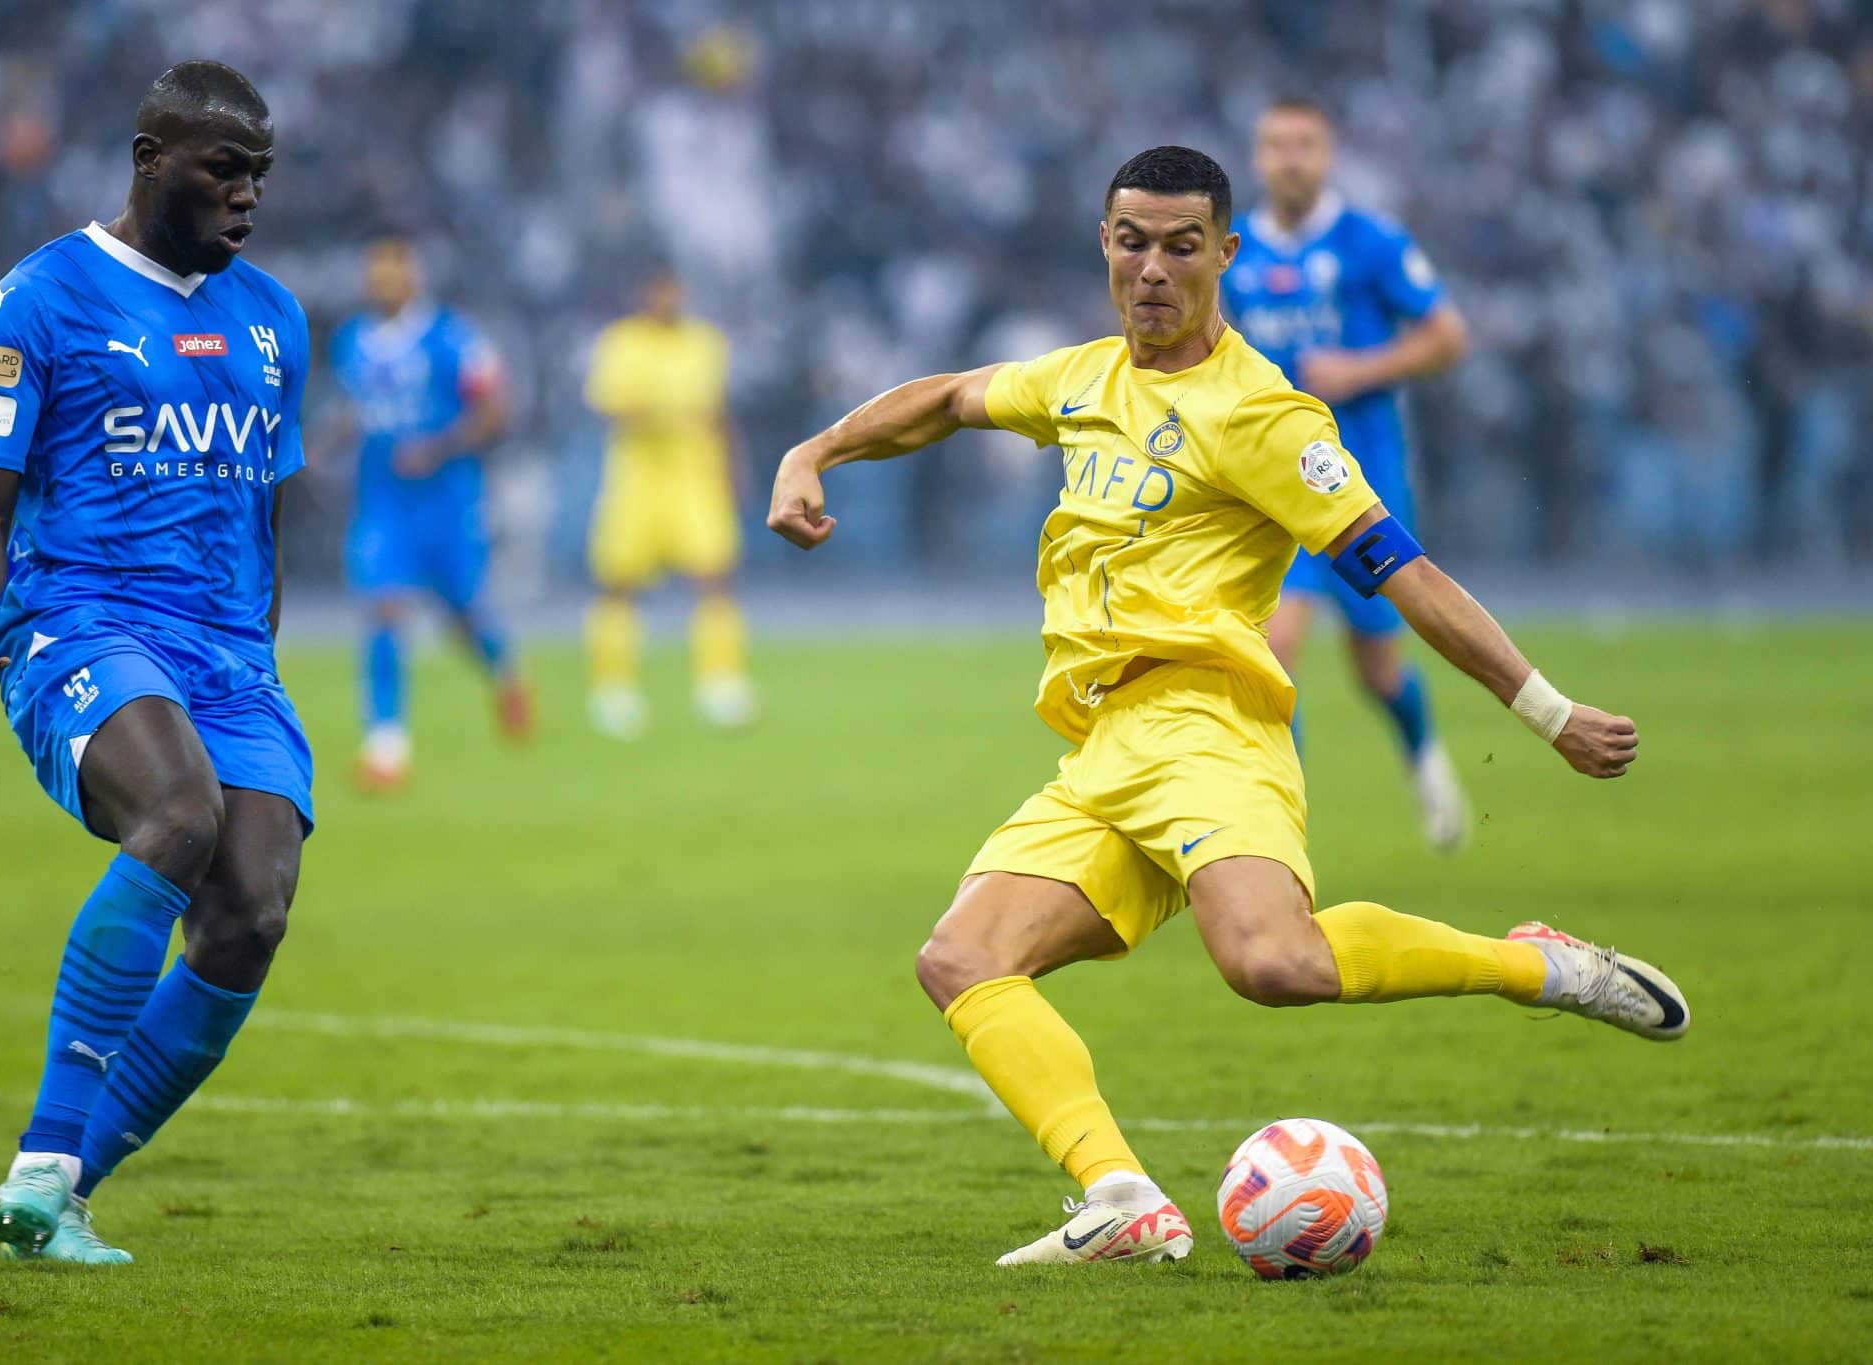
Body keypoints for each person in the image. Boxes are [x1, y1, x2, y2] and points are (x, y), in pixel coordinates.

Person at [766, 146, 1687, 1267]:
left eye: (1179, 245)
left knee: (1272, 967)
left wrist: (1545, 712)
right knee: (960, 960)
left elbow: (1406, 574)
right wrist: (813, 449)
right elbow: (951, 400)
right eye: (1130, 241)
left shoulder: (1263, 418)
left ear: (1224, 255)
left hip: (1205, 726)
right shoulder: (1081, 380)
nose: (1150, 269)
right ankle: (1120, 1199)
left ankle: (1537, 966)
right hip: (1103, 747)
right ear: (1104, 245)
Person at [0, 61, 312, 1265]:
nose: (246, 198)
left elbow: (267, 518)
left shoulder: (274, 317)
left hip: (229, 653)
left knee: (250, 913)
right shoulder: (37, 299)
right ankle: (43, 1156)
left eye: (259, 176)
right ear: (152, 161)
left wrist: (257, 662)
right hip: (80, 622)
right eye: (222, 171)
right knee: (180, 815)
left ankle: (60, 1198)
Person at [1225, 98, 1473, 849]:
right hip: (1275, 491)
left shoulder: (1371, 243)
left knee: (1377, 670)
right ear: (1260, 156)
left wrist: (1361, 368)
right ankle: (1281, 836)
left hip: (1362, 488)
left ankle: (1425, 759)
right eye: (1276, 144)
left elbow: (1447, 336)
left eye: (1304, 143)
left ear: (1327, 155)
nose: (1290, 157)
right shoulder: (1233, 255)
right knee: (1271, 655)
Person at [328, 235, 532, 791]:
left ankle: (506, 674)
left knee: (462, 613)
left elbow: (495, 413)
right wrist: (321, 444)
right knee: (385, 608)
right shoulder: (351, 342)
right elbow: (352, 411)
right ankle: (387, 749)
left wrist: (438, 447)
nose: (383, 278)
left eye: (394, 266)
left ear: (414, 273)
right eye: (376, 267)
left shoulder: (454, 339)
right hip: (384, 505)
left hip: (447, 504)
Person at [582, 266, 752, 738]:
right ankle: (613, 689)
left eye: (673, 289)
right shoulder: (621, 344)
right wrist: (668, 414)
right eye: (657, 289)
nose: (666, 298)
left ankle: (720, 684)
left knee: (715, 577)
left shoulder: (705, 343)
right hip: (638, 480)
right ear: (642, 293)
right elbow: (614, 408)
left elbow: (717, 411)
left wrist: (735, 469)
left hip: (695, 477)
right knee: (619, 583)